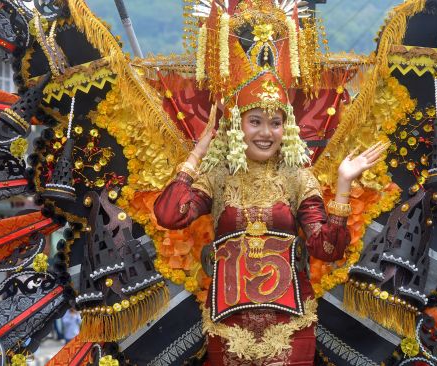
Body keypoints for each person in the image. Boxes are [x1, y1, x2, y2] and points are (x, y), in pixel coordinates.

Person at [154, 69, 387, 364]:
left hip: (289, 323)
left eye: (275, 123)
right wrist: (199, 151)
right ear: (237, 127)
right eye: (255, 122)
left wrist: (343, 186)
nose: (266, 133)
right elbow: (169, 215)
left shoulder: (299, 178)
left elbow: (327, 249)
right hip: (228, 324)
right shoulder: (218, 177)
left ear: (285, 129)